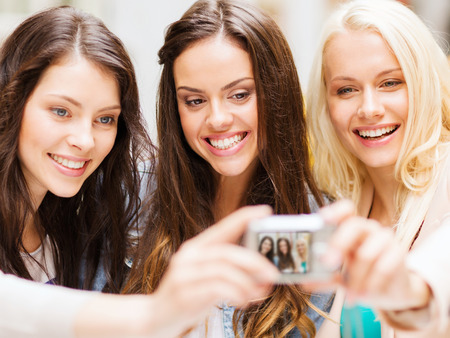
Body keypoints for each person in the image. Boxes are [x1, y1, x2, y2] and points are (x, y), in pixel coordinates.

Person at [0, 6, 278, 336]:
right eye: (61, 111)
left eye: (105, 119)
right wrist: (158, 312)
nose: (84, 140)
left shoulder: (69, 224)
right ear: (11, 99)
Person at [124, 0, 333, 336]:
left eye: (239, 95)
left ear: (276, 93)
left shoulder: (310, 224)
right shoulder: (131, 197)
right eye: (194, 100)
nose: (218, 119)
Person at [306, 0, 450, 336]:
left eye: (390, 83)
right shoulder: (339, 207)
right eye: (347, 90)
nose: (369, 109)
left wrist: (415, 292)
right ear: (326, 104)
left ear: (423, 83)